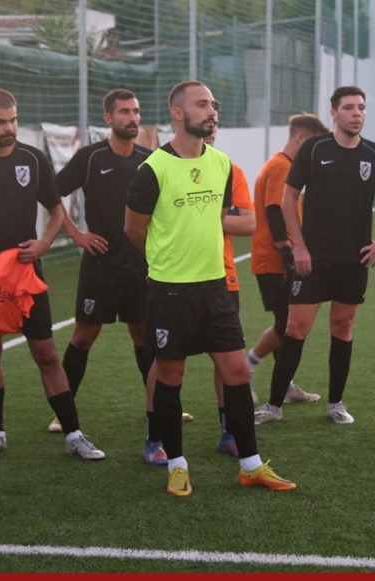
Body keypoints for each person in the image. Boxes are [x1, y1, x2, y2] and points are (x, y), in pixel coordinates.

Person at [125, 80, 296, 497]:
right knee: (171, 373)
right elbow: (133, 228)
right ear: (178, 113)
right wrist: (164, 262)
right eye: (203, 104)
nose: (212, 110)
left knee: (236, 372)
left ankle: (251, 465)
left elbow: (218, 219)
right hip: (169, 292)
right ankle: (177, 466)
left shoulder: (221, 163)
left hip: (216, 289)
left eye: (214, 104)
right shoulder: (153, 170)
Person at [0, 88, 104, 461]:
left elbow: (57, 210)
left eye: (13, 120)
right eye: (0, 121)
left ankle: (74, 433)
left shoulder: (34, 158)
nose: (9, 127)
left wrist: (44, 243)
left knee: (45, 352)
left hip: (26, 273)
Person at [253, 86, 375, 427]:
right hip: (312, 260)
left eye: (361, 107)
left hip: (354, 260)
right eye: (348, 108)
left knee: (342, 326)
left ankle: (335, 404)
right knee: (296, 328)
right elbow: (288, 199)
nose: (356, 113)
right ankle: (273, 405)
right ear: (334, 113)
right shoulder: (315, 148)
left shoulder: (374, 154)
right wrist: (298, 247)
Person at [45, 89, 160, 451]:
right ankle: (62, 410)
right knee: (83, 336)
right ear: (108, 118)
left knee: (143, 334)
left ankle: (157, 403)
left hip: (140, 265)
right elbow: (51, 194)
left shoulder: (151, 159)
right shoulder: (90, 157)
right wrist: (75, 234)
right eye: (124, 111)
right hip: (101, 266)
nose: (132, 118)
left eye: (136, 111)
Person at [245, 113, 328, 406]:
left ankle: (286, 384)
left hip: (277, 259)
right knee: (287, 324)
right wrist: (287, 251)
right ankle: (247, 365)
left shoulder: (284, 165)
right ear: (301, 139)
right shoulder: (281, 166)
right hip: (275, 261)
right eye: (314, 146)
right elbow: (274, 211)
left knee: (287, 322)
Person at [202, 100, 256, 457]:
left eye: (215, 120)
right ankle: (156, 436)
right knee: (165, 365)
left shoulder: (229, 170)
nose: (212, 124)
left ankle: (228, 431)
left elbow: (248, 224)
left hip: (224, 279)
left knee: (227, 363)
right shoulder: (161, 165)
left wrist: (201, 219)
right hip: (173, 281)